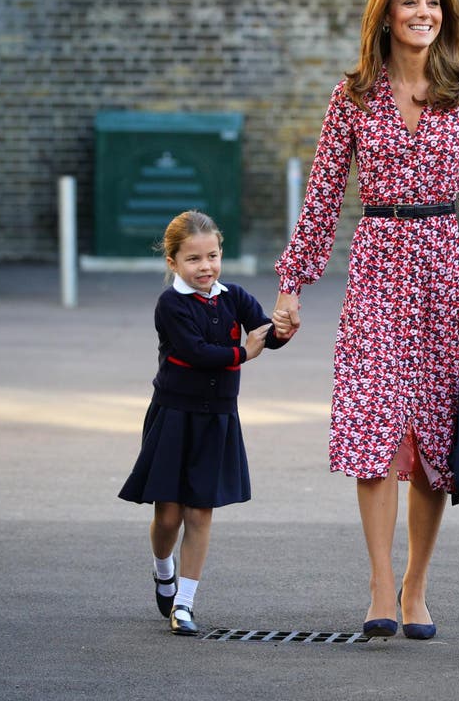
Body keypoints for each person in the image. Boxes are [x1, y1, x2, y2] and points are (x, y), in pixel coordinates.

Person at [271, 0, 459, 640]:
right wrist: (293, 283)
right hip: (376, 264)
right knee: (374, 427)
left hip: (441, 267)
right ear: (386, 13)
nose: (422, 13)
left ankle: (416, 587)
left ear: (446, 14)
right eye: (409, 3)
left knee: (436, 436)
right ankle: (380, 583)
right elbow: (321, 197)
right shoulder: (352, 95)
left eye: (432, 3)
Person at [118, 210, 288, 636]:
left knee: (200, 513)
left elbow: (264, 329)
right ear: (172, 262)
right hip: (174, 416)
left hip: (218, 420)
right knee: (169, 516)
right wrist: (243, 354)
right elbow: (195, 353)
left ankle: (185, 604)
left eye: (212, 256)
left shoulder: (234, 296)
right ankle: (163, 569)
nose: (205, 266)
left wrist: (282, 329)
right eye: (193, 259)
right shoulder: (171, 304)